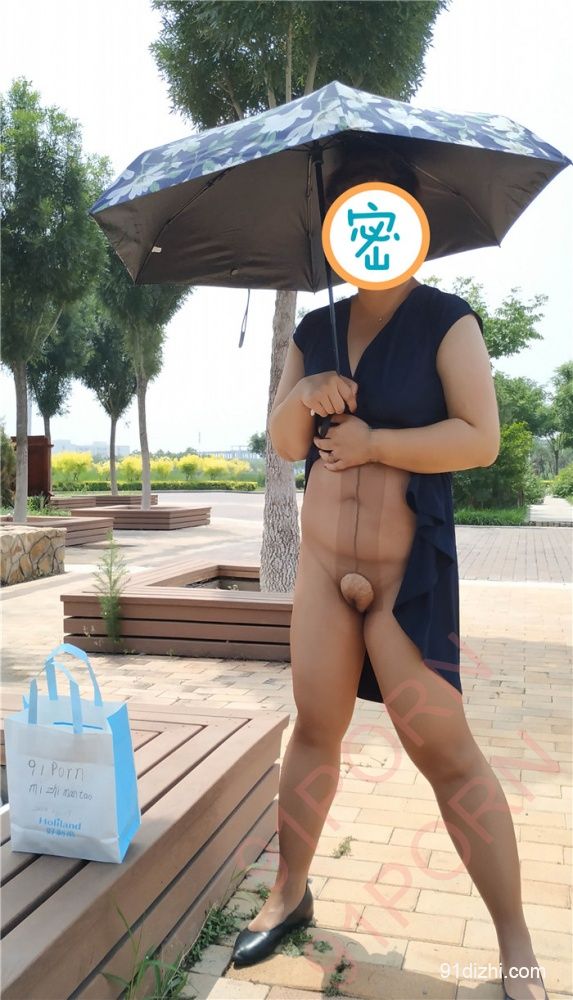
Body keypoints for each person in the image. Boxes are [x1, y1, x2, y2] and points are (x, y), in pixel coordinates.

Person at [231, 143, 548, 1000]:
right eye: (353, 218)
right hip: (324, 571)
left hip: (406, 579)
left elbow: (478, 438)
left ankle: (515, 946)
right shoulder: (314, 330)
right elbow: (284, 444)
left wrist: (376, 442)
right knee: (313, 730)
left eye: (383, 216)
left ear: (414, 226)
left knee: (447, 754)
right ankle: (287, 894)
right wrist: (305, 393)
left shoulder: (447, 320)